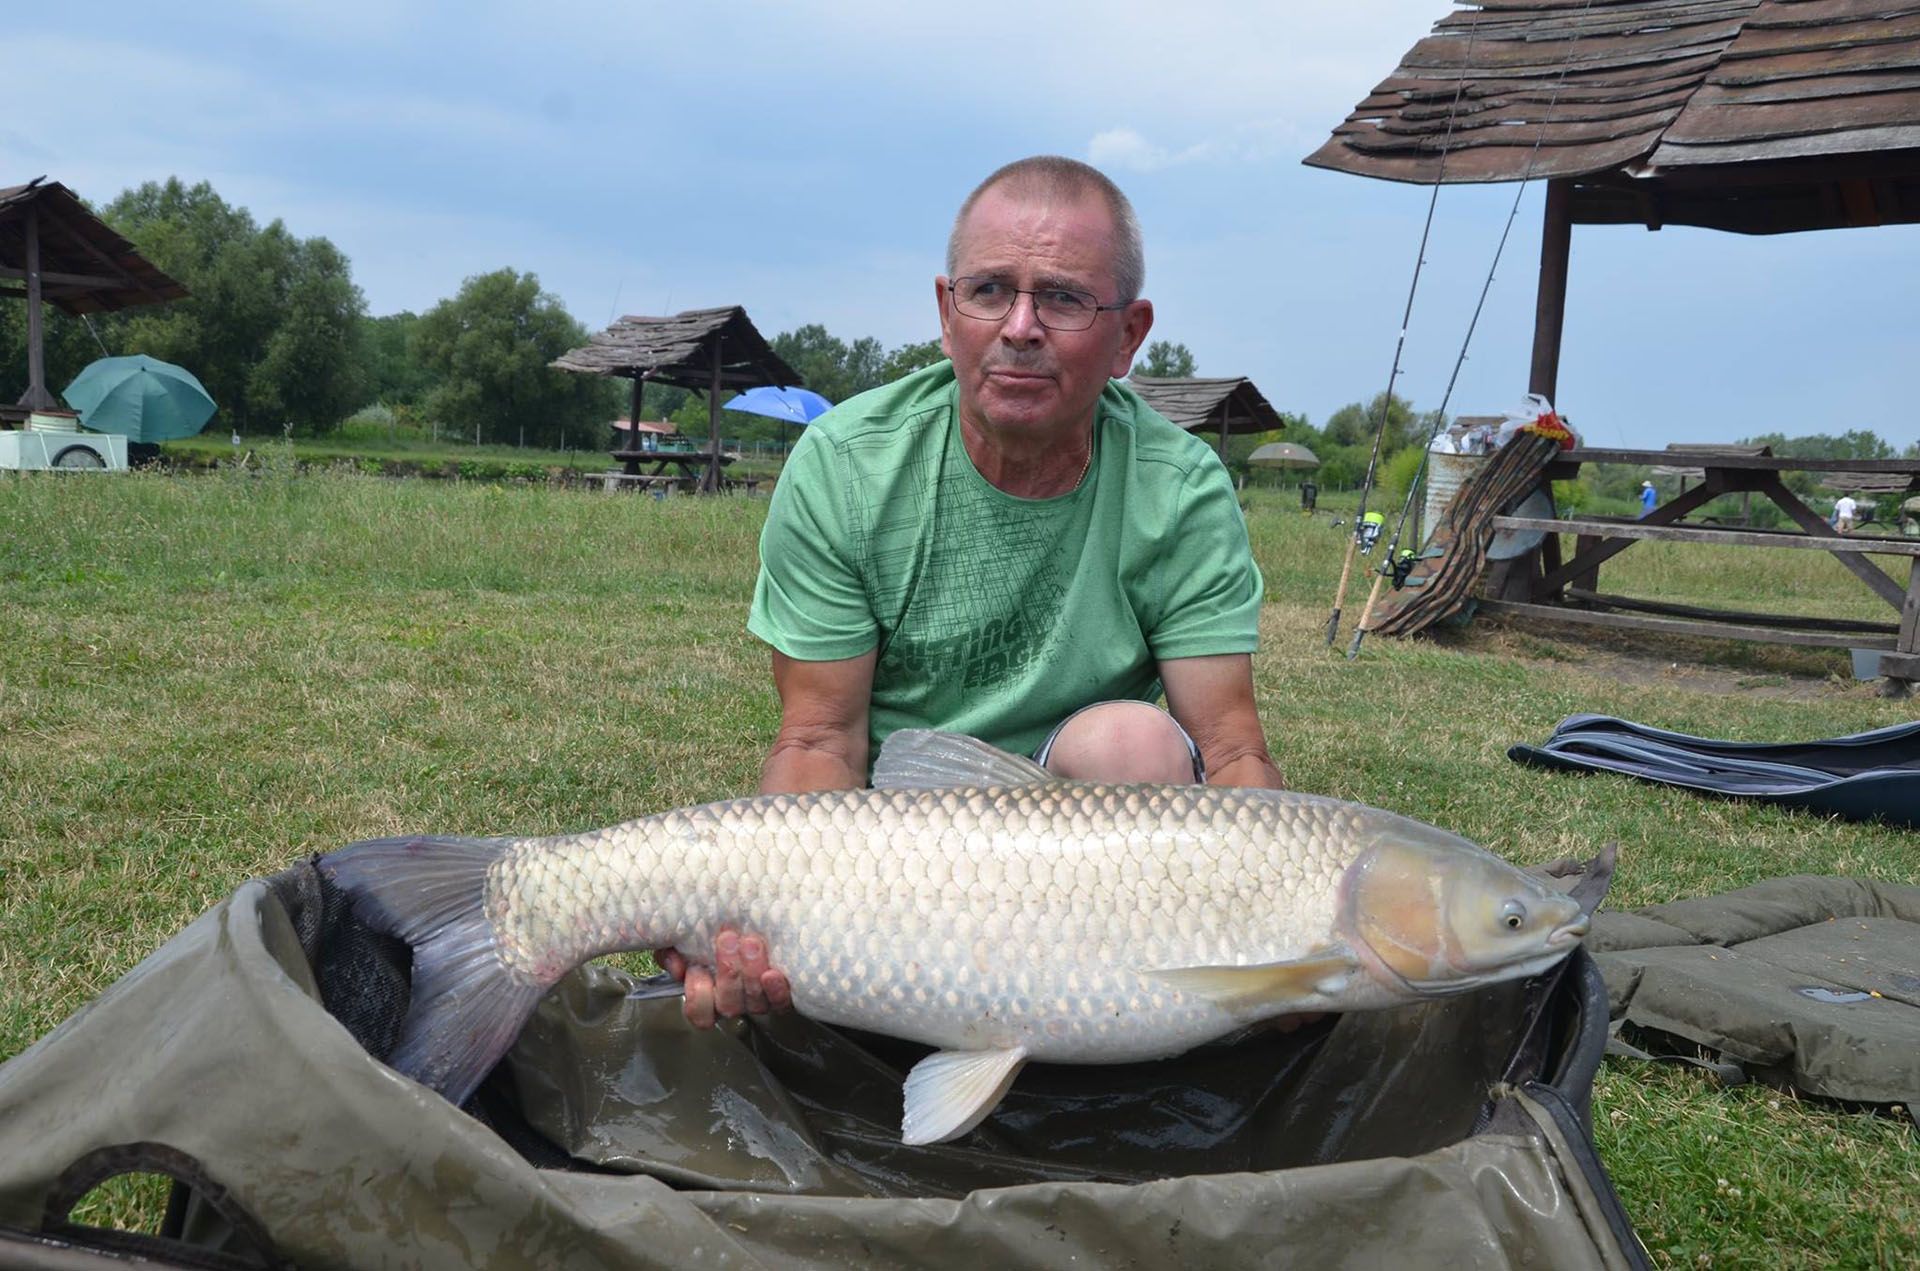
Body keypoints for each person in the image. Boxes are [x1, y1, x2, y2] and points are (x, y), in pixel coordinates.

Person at [658, 156, 1286, 1026]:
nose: (1020, 327)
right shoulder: (847, 466)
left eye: (1063, 299)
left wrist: (1282, 942)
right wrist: (764, 928)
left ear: (1129, 335)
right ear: (947, 313)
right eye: (991, 290)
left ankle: (1070, 1014)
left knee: (1136, 747)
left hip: (1089, 860)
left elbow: (1230, 755)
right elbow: (819, 741)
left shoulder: (1179, 489)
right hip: (897, 853)